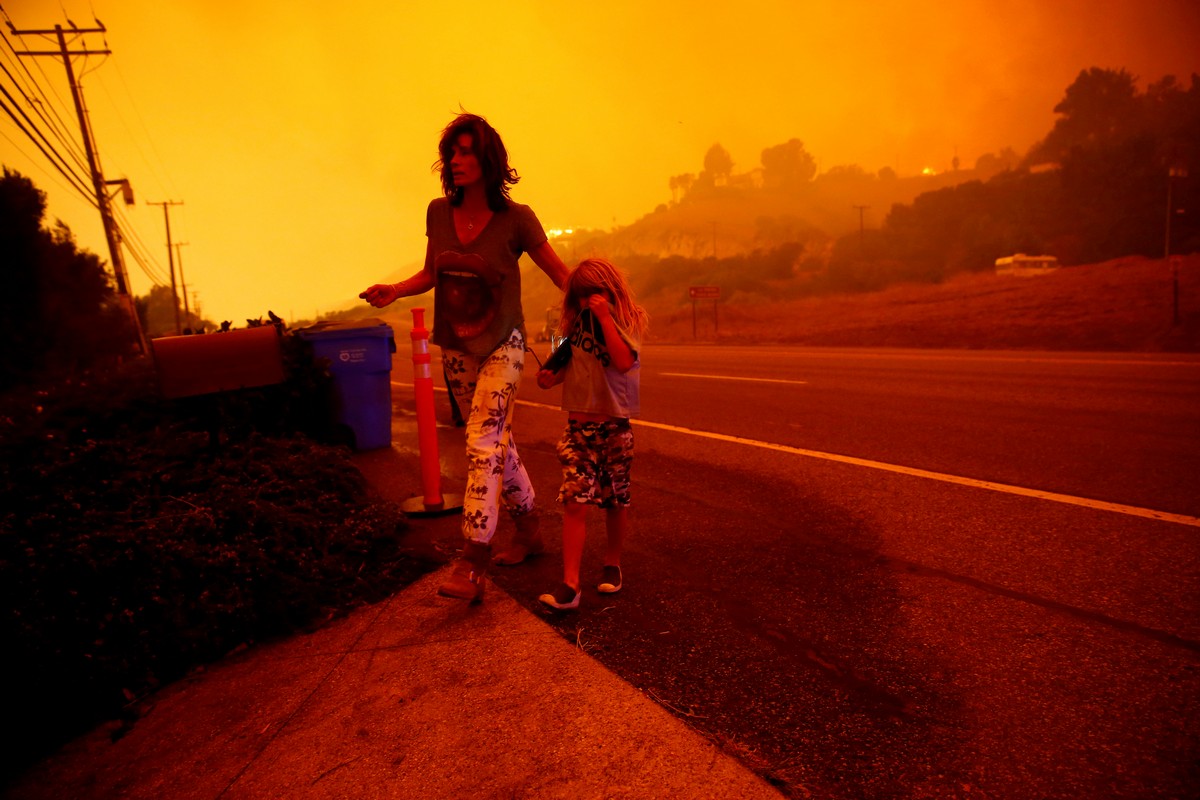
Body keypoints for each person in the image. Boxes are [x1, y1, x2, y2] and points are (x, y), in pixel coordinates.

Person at [360, 112, 568, 602]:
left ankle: (472, 559)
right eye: (452, 152)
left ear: (488, 160)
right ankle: (531, 530)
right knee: (496, 443)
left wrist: (584, 322)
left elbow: (563, 277)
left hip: (504, 345)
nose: (455, 160)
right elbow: (432, 271)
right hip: (455, 348)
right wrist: (395, 289)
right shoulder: (438, 212)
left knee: (481, 440)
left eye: (467, 151)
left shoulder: (518, 220)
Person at [534, 258, 648, 611]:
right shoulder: (576, 330)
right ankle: (570, 584)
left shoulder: (626, 323)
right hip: (578, 429)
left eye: (595, 293)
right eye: (582, 295)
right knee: (574, 501)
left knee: (615, 500)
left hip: (614, 427)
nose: (588, 301)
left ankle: (612, 563)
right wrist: (552, 377)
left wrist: (604, 318)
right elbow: (573, 365)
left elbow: (622, 361)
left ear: (611, 291)